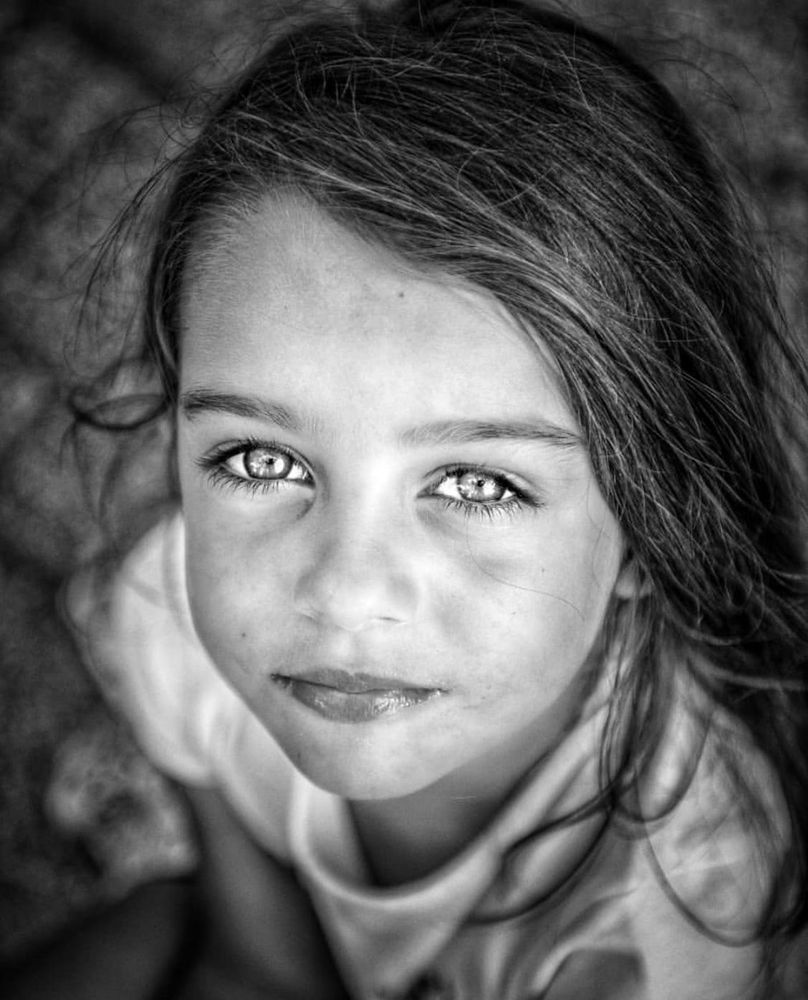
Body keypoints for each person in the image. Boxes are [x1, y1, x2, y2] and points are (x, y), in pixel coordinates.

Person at [5, 0, 808, 996]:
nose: (344, 593)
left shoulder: (672, 917)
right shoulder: (171, 616)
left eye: (477, 483)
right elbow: (255, 957)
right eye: (261, 461)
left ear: (653, 525)